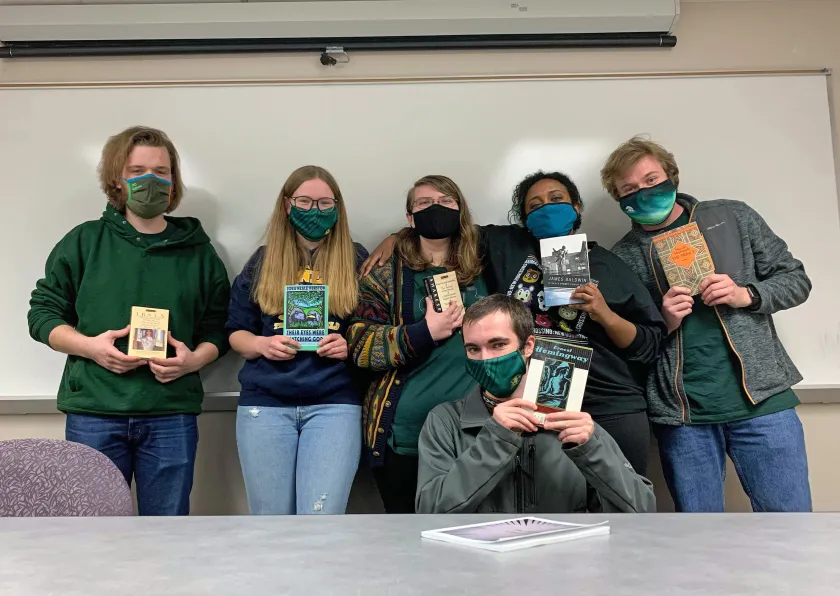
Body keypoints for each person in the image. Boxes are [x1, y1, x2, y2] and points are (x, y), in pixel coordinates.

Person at [362, 171, 666, 476]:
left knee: (622, 507)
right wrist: (396, 237)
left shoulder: (610, 264)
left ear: (576, 207)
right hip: (539, 402)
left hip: (611, 405)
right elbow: (442, 226)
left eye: (556, 199)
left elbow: (649, 344)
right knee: (554, 504)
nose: (546, 207)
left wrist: (604, 314)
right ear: (523, 217)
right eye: (535, 205)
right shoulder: (505, 246)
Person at [601, 135, 812, 512]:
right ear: (620, 200)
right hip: (683, 415)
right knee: (697, 539)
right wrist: (663, 320)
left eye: (651, 180)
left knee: (792, 526)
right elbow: (634, 344)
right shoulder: (622, 256)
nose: (643, 192)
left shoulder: (732, 216)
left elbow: (795, 280)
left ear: (672, 176)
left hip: (764, 401)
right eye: (629, 189)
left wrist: (746, 294)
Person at [27, 126, 231, 516]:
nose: (151, 180)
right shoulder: (84, 242)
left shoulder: (200, 254)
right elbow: (42, 314)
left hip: (171, 414)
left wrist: (194, 360)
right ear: (116, 180)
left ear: (173, 181)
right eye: (137, 170)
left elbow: (219, 326)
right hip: (94, 411)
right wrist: (91, 348)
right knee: (93, 536)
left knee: (167, 535)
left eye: (162, 171)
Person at [415, 294, 656, 514]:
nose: (485, 359)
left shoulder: (572, 419)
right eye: (473, 349)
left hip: (562, 557)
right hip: (483, 558)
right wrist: (495, 439)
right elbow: (429, 512)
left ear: (528, 346)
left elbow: (643, 510)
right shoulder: (446, 421)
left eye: (498, 345)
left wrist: (592, 450)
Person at [226, 165, 368, 515]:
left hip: (334, 404)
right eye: (304, 201)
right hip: (266, 405)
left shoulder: (357, 258)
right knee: (270, 523)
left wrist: (348, 346)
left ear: (337, 207)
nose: (314, 211)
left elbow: (374, 330)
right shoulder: (263, 261)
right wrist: (261, 345)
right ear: (287, 205)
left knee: (321, 519)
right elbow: (234, 332)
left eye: (324, 203)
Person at [346, 175, 487, 513]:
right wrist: (423, 332)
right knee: (409, 543)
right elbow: (359, 345)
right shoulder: (384, 274)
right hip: (405, 435)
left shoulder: (487, 266)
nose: (435, 208)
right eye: (423, 203)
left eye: (445, 201)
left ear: (460, 210)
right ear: (410, 218)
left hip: (476, 430)